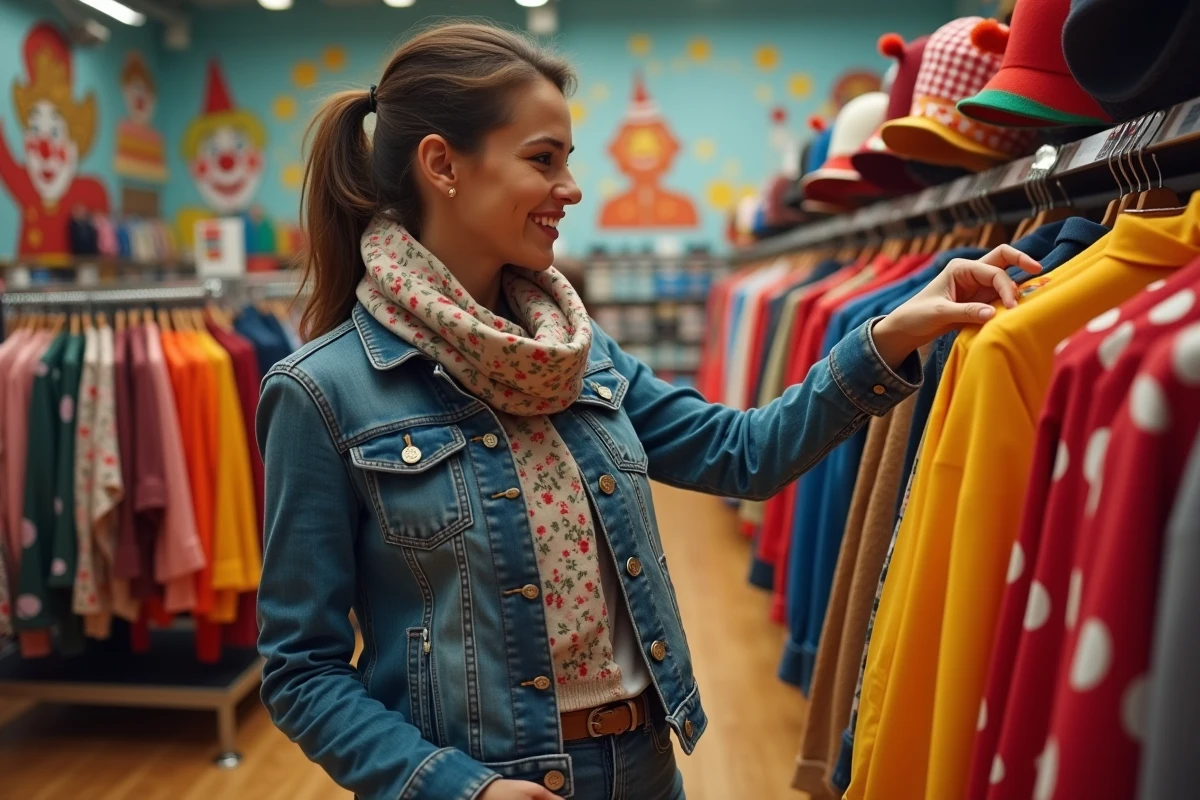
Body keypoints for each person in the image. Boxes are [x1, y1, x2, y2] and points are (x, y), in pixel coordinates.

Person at [255, 21, 1042, 800]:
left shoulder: (578, 354)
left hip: (643, 768)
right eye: (544, 160)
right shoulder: (324, 393)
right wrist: (454, 787)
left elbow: (744, 454)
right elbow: (302, 671)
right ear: (442, 165)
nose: (572, 188)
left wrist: (895, 331)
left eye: (569, 160)